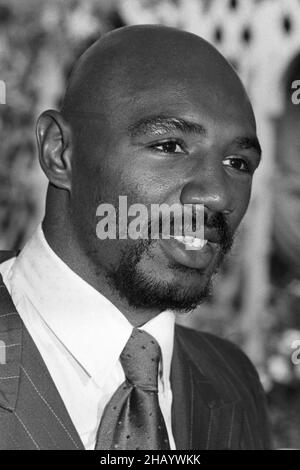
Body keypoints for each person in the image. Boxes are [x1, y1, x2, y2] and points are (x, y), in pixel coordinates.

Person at [0, 25, 271, 450]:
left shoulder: (233, 379)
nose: (217, 195)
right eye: (169, 146)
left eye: (237, 162)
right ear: (59, 153)